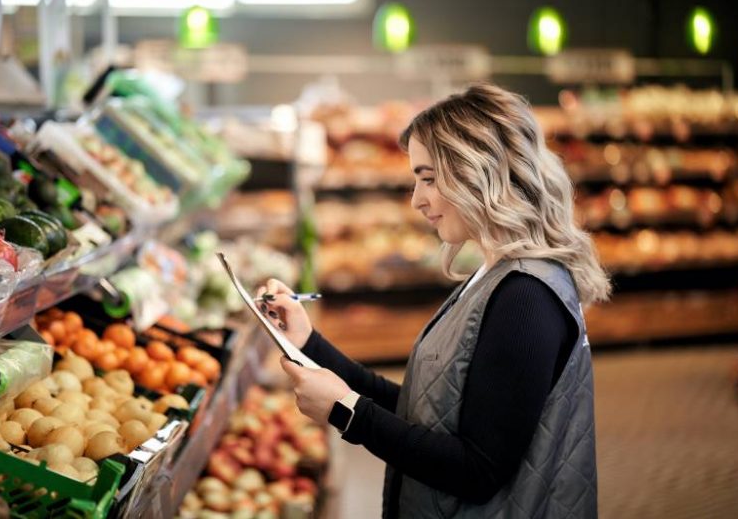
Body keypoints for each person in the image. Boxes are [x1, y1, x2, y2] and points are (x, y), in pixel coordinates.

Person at [256, 83, 611, 518]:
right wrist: (308, 342)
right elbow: (428, 411)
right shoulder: (496, 274)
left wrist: (348, 414)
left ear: (476, 171)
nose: (417, 199)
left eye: (428, 178)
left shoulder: (526, 296)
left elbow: (478, 470)